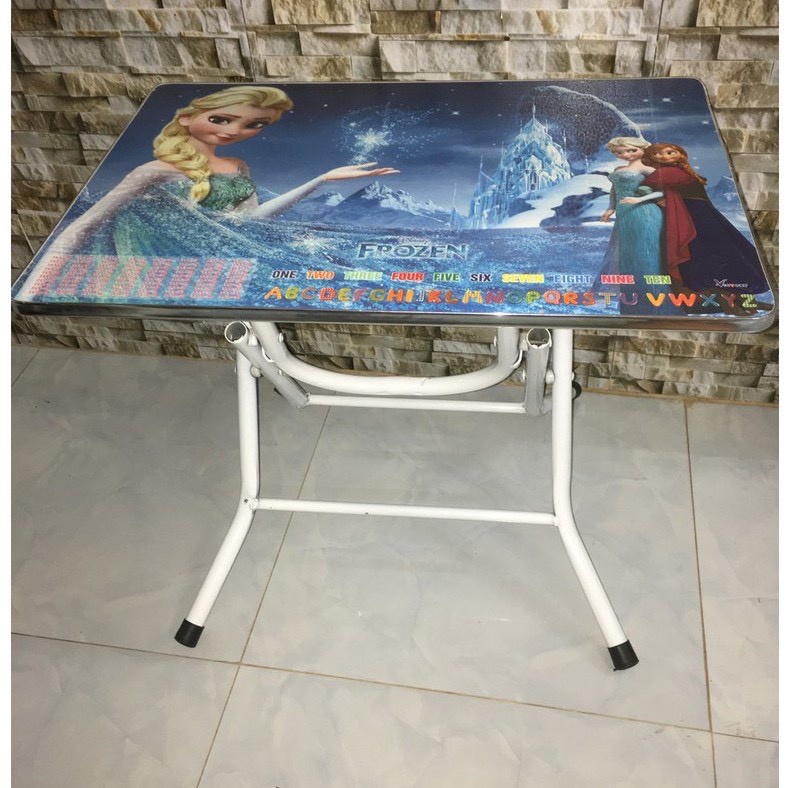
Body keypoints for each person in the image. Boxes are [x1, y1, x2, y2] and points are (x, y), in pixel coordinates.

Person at [47, 85, 399, 259]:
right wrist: (47, 269)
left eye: (254, 124)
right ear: (187, 118)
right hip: (171, 259)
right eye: (220, 119)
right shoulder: (154, 170)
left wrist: (322, 179)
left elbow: (250, 219)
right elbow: (91, 220)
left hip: (225, 253)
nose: (234, 131)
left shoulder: (237, 166)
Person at [639, 143, 768, 296]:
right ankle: (707, 280)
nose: (663, 156)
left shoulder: (678, 171)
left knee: (712, 244)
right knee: (706, 244)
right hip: (691, 210)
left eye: (669, 152)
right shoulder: (667, 172)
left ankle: (716, 280)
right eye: (656, 154)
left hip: (699, 210)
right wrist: (658, 199)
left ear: (680, 153)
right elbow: (645, 187)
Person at [597, 136, 673, 315]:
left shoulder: (648, 169)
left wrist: (639, 199)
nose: (626, 154)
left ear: (642, 149)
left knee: (644, 252)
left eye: (632, 150)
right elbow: (614, 190)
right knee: (627, 253)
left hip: (645, 213)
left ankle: (652, 298)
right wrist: (610, 208)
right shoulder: (619, 170)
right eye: (620, 152)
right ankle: (632, 298)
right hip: (624, 214)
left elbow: (662, 192)